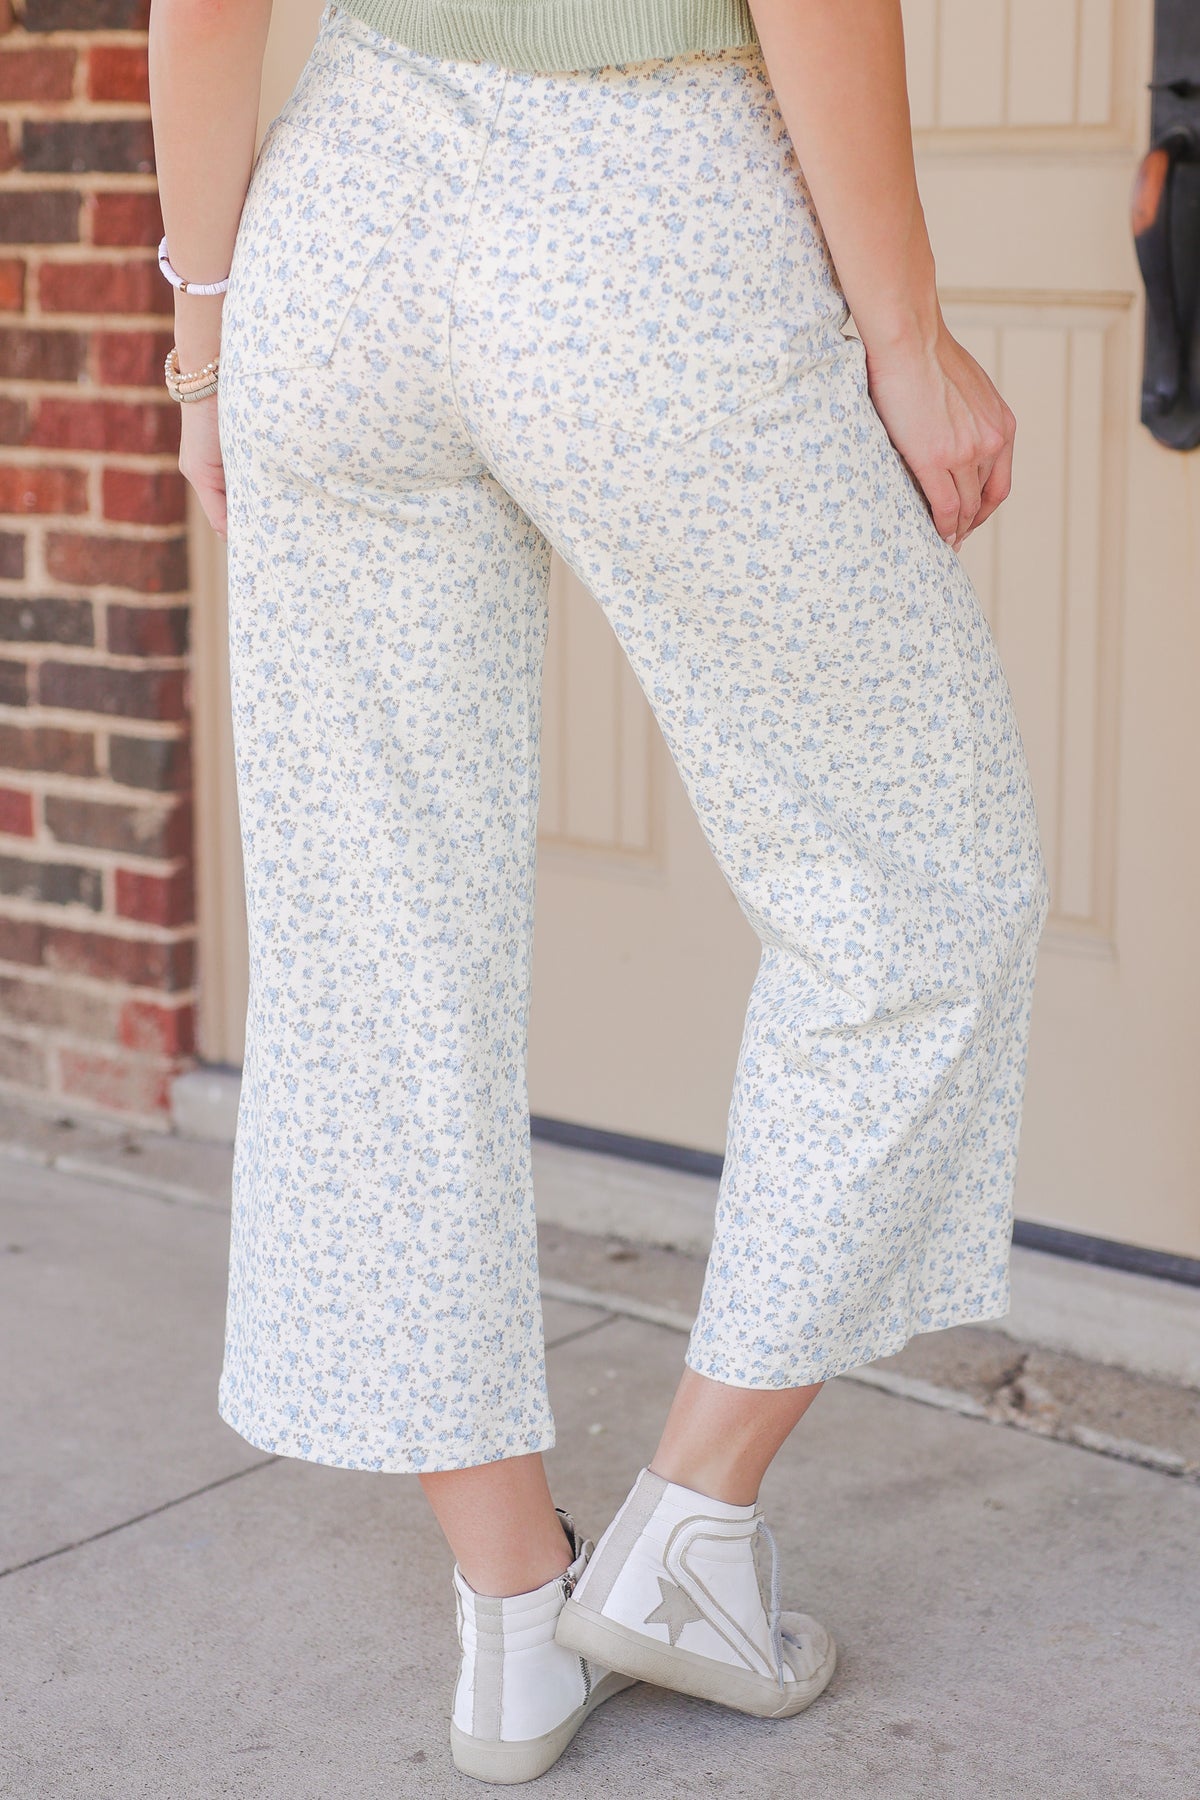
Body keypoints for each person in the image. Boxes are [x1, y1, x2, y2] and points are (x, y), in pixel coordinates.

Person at [149, 0, 1050, 1782]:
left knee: (370, 954)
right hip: (647, 218)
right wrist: (906, 334)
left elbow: (199, 11)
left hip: (335, 236)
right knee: (919, 879)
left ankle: (510, 1614)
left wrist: (204, 344)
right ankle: (690, 1528)